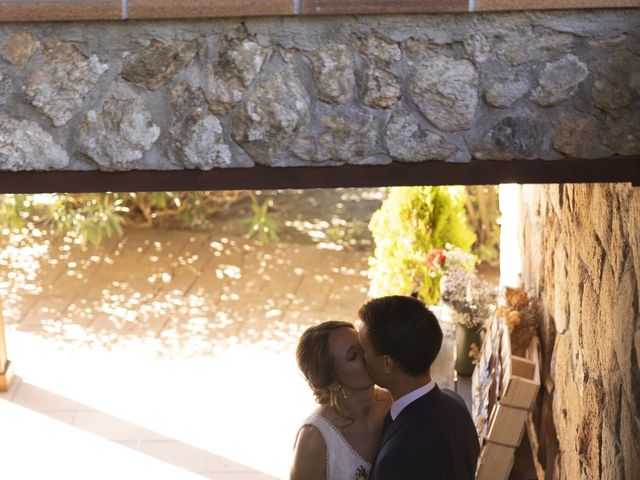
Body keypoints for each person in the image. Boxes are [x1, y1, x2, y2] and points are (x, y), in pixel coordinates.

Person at [358, 295, 480, 479]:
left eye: (363, 350)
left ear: (387, 363)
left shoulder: (398, 456)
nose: (360, 357)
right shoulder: (455, 402)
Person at [290, 321, 392, 480]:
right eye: (353, 356)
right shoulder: (314, 440)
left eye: (362, 344)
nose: (367, 354)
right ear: (332, 382)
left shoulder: (393, 401)